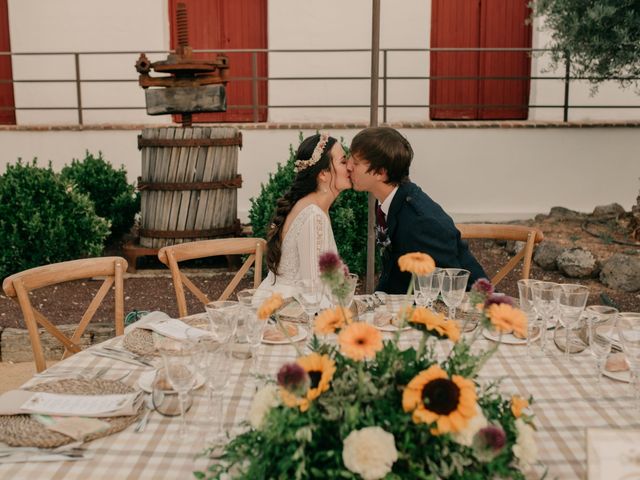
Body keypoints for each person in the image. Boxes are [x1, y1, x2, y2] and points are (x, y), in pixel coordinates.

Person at [347, 126, 486, 293]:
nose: (348, 166)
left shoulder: (420, 222)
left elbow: (450, 286)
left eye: (355, 162)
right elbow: (392, 272)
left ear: (381, 173)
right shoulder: (388, 201)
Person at [257, 132, 352, 297]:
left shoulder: (308, 204)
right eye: (343, 161)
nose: (350, 166)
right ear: (323, 174)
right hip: (290, 313)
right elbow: (314, 291)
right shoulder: (314, 216)